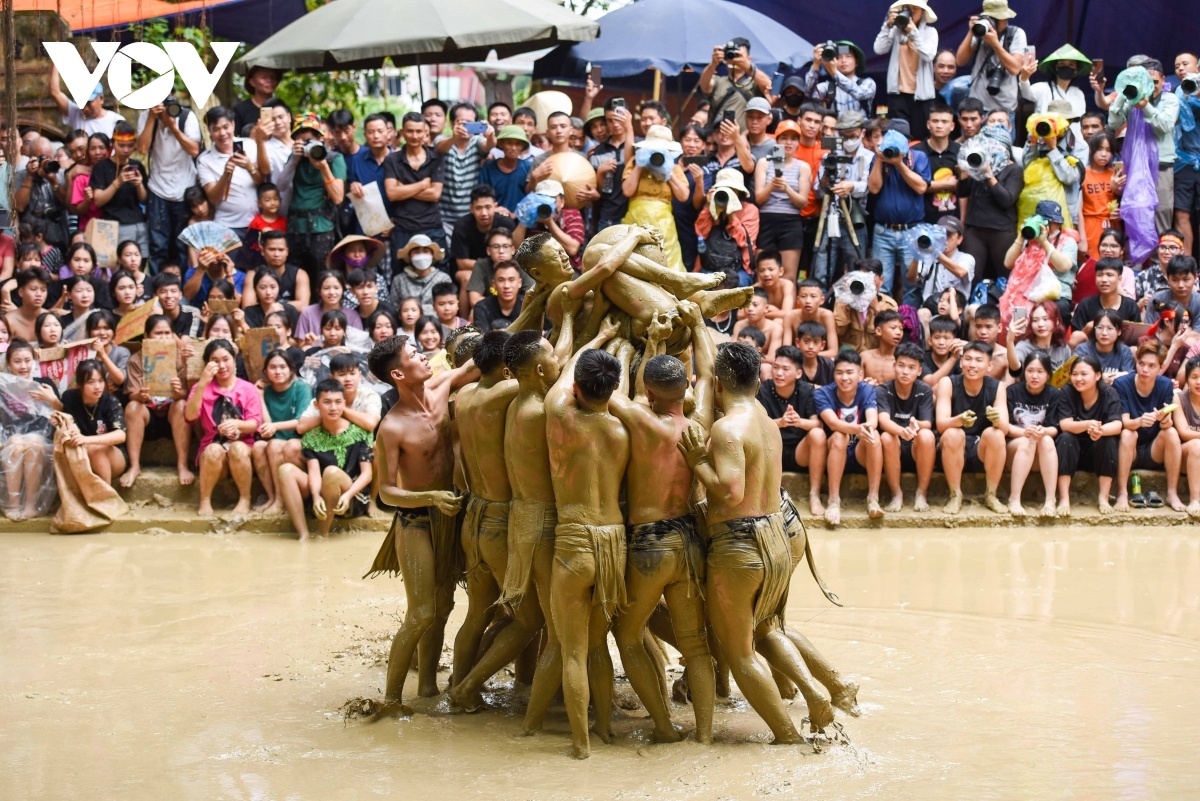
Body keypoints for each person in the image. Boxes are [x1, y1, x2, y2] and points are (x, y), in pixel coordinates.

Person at [679, 342, 836, 743]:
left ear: (718, 382)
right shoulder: (766, 419)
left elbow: (730, 493)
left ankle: (788, 736)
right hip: (776, 534)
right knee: (766, 628)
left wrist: (697, 461)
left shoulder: (728, 428)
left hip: (740, 543)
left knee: (740, 653)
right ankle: (815, 690)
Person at [367, 334, 476, 719]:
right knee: (421, 613)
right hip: (416, 521)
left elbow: (479, 363)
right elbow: (386, 492)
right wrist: (430, 498)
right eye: (415, 355)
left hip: (448, 515)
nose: (425, 356)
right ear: (398, 372)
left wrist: (534, 307)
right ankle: (391, 701)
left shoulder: (442, 385)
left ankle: (427, 686)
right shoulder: (392, 427)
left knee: (443, 605)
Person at [275, 378, 374, 540]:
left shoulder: (360, 432)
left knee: (332, 472)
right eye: (327, 402)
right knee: (285, 470)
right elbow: (313, 470)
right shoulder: (313, 435)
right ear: (317, 405)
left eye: (338, 402)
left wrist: (348, 495)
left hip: (352, 498)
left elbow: (367, 474)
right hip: (322, 496)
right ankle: (304, 535)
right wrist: (316, 496)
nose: (333, 407)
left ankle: (323, 533)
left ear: (344, 404)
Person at [184, 339, 263, 517]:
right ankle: (205, 499)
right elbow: (189, 417)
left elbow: (254, 423)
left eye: (225, 359)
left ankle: (245, 499)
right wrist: (203, 383)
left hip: (242, 447)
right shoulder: (200, 387)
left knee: (237, 448)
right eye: (215, 361)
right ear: (207, 364)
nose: (221, 365)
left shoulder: (248, 388)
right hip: (213, 448)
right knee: (213, 450)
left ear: (234, 360)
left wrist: (237, 424)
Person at [1108, 60, 1180, 234]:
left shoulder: (1170, 99)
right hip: (1136, 168)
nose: (1151, 86)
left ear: (1163, 80)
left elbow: (1165, 125)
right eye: (1146, 82)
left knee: (1161, 215)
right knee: (1136, 215)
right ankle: (1138, 260)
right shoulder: (1132, 99)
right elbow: (1113, 122)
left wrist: (1145, 106)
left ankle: (1160, 260)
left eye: (1155, 82)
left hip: (1161, 167)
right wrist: (1124, 93)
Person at [936, 341, 1006, 514]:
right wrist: (959, 420)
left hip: (979, 449)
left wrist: (996, 420)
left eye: (979, 360)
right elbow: (941, 424)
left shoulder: (997, 387)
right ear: (961, 362)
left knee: (995, 434)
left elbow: (1004, 428)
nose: (972, 365)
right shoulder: (948, 383)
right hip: (950, 448)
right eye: (967, 359)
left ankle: (991, 494)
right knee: (954, 433)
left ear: (989, 366)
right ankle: (955, 495)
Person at [757, 344, 826, 516]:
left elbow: (817, 424)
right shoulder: (763, 389)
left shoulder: (807, 390)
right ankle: (769, 497)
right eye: (776, 367)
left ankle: (815, 495)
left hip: (799, 452)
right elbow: (755, 425)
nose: (779, 373)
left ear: (798, 373)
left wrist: (798, 421)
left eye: (785, 369)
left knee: (818, 435)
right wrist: (779, 423)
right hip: (772, 451)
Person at [135, 96, 202, 271]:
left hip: (184, 188)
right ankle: (159, 289)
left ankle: (182, 291)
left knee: (182, 245)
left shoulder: (186, 116)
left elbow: (194, 150)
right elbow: (142, 149)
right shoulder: (146, 116)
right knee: (158, 246)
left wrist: (173, 126)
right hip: (157, 188)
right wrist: (152, 118)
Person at [816, 350, 884, 524]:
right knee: (840, 435)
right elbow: (832, 423)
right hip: (834, 451)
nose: (844, 378)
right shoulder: (822, 393)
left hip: (861, 451)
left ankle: (873, 498)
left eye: (849, 372)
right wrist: (857, 429)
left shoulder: (867, 390)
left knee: (874, 434)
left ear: (860, 374)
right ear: (834, 374)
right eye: (839, 373)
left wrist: (865, 428)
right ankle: (833, 501)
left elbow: (872, 420)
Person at [1114, 342, 1183, 511]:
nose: (1145, 370)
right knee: (1129, 434)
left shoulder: (1165, 385)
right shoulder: (1122, 384)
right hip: (1131, 449)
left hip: (1154, 449)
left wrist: (1163, 419)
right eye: (1141, 364)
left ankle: (1172, 493)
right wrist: (1139, 421)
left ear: (1160, 368)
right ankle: (1122, 492)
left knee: (1172, 433)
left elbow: (1168, 423)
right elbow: (1124, 423)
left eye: (1152, 366)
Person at [868, 119, 931, 301]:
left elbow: (921, 188)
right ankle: (882, 325)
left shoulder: (918, 157)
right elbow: (873, 188)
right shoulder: (878, 159)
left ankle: (909, 326)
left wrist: (899, 163)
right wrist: (880, 159)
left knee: (911, 285)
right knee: (881, 285)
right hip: (883, 231)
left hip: (911, 230)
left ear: (907, 142)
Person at [1053, 354, 1122, 516]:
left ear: (1098, 375)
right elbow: (1065, 424)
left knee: (1108, 440)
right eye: (1075, 374)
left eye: (1084, 374)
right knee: (1065, 438)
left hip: (1096, 452)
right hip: (1072, 452)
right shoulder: (1067, 392)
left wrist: (1100, 430)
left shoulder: (1109, 393)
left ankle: (1103, 498)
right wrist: (1087, 424)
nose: (1078, 378)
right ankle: (1064, 499)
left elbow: (1118, 425)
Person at [999, 350, 1061, 517]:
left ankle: (1050, 500)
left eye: (1040, 372)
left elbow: (1055, 427)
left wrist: (1043, 431)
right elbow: (1005, 426)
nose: (1035, 376)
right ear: (1024, 372)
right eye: (1030, 371)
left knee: (1047, 440)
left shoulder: (1054, 394)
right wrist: (1024, 432)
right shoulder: (1012, 391)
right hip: (1015, 450)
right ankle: (1014, 499)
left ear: (1048, 374)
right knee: (1028, 441)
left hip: (1040, 453)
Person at [285, 113, 346, 280]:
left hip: (321, 227)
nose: (307, 145)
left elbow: (338, 198)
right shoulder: (295, 158)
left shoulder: (334, 159)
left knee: (322, 278)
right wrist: (294, 159)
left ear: (320, 137)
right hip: (295, 227)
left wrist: (323, 166)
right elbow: (280, 186)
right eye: (302, 140)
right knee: (295, 278)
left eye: (310, 140)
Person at [620, 127, 690, 272]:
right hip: (636, 221)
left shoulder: (674, 168)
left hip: (663, 224)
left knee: (667, 264)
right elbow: (627, 190)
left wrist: (668, 171)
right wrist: (640, 164)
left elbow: (683, 196)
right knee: (633, 263)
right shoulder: (635, 163)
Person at [877, 340, 936, 511]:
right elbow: (883, 420)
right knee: (887, 436)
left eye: (911, 368)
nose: (905, 371)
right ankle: (896, 494)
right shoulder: (883, 390)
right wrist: (902, 431)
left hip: (916, 448)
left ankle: (921, 493)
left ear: (919, 371)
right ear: (894, 366)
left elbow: (928, 423)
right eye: (901, 366)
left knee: (927, 435)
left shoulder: (924, 390)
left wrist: (916, 424)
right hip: (892, 448)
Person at [251, 348, 311, 513]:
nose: (278, 371)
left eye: (283, 367)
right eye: (273, 367)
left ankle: (280, 500)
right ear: (265, 371)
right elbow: (267, 426)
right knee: (258, 447)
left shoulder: (301, 388)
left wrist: (276, 426)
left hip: (298, 443)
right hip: (275, 444)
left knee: (275, 445)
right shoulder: (267, 391)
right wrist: (260, 397)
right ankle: (272, 497)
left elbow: (301, 421)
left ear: (291, 369)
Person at [384, 112, 447, 269]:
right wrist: (422, 184)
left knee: (440, 276)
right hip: (402, 228)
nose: (414, 135)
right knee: (399, 276)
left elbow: (434, 194)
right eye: (410, 131)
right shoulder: (392, 160)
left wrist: (402, 188)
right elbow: (392, 194)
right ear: (402, 132)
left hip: (431, 226)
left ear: (426, 132)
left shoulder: (436, 157)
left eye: (419, 131)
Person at [753, 121, 812, 284]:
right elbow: (759, 198)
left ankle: (787, 309)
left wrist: (786, 188)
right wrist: (772, 184)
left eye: (793, 139)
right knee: (763, 274)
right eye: (784, 138)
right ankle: (760, 307)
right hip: (767, 219)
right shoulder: (764, 163)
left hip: (791, 221)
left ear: (798, 142)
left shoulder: (803, 167)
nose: (788, 142)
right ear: (777, 140)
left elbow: (803, 202)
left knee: (789, 276)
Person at [874, 2, 938, 138]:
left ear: (922, 12)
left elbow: (928, 55)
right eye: (908, 9)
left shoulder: (930, 32)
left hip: (921, 97)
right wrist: (887, 25)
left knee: (920, 137)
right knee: (898, 138)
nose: (911, 12)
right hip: (898, 95)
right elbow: (879, 49)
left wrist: (913, 32)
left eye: (915, 9)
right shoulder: (896, 31)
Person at [197, 107, 264, 238]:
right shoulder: (205, 160)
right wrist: (226, 174)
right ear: (209, 131)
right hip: (226, 225)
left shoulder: (250, 145)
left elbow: (264, 183)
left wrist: (250, 167)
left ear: (233, 125)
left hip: (256, 222)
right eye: (216, 129)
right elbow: (213, 199)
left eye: (225, 127)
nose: (222, 133)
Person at [58, 359, 127, 482]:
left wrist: (88, 440)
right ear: (79, 384)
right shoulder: (70, 398)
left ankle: (105, 496)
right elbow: (68, 425)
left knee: (95, 449)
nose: (98, 387)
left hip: (113, 456)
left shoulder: (110, 401)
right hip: (81, 454)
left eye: (101, 381)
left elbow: (121, 435)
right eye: (91, 382)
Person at [88, 122, 150, 258]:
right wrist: (118, 182)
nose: (125, 150)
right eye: (121, 145)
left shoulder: (137, 165)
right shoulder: (102, 167)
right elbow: (98, 200)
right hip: (114, 225)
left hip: (139, 222)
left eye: (130, 146)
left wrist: (139, 185)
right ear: (113, 144)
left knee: (140, 264)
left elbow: (144, 200)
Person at [955, 0, 1028, 115]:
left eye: (1000, 18)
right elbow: (960, 61)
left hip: (1004, 109)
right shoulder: (981, 31)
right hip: (977, 106)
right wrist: (972, 31)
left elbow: (1015, 69)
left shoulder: (1016, 33)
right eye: (991, 18)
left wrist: (995, 44)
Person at [451, 185, 517, 312]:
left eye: (488, 207)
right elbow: (462, 263)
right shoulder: (462, 226)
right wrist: (490, 264)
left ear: (495, 207)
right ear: (471, 209)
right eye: (479, 208)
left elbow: (513, 252)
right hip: (470, 268)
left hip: (502, 263)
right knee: (467, 277)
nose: (484, 213)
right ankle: (463, 324)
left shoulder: (506, 223)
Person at [435, 103, 495, 237]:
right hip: (444, 216)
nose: (466, 126)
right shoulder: (443, 140)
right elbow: (440, 148)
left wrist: (490, 135)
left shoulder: (477, 141)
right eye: (462, 122)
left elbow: (488, 145)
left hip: (471, 215)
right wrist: (454, 137)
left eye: (470, 123)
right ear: (452, 124)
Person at [697, 38, 773, 129]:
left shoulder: (754, 83)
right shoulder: (717, 81)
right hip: (717, 139)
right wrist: (713, 63)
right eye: (732, 54)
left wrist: (748, 66)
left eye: (738, 55)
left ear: (749, 59)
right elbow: (704, 84)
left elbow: (768, 86)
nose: (735, 58)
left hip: (744, 141)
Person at [588, 101, 636, 232]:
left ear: (627, 117)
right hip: (609, 216)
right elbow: (598, 192)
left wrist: (629, 128)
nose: (615, 124)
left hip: (635, 214)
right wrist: (600, 173)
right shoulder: (598, 151)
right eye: (610, 120)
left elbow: (629, 162)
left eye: (619, 119)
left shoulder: (639, 145)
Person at [1069, 258, 1140, 347]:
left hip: (1121, 354)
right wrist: (1088, 328)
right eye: (1100, 275)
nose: (1104, 280)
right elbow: (1076, 339)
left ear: (1119, 279)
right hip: (1090, 354)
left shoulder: (1130, 305)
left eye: (1109, 275)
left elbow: (1136, 338)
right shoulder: (1086, 305)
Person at [833, 258, 898, 351]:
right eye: (862, 278)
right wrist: (845, 300)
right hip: (850, 356)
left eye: (870, 279)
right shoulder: (844, 300)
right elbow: (838, 332)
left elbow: (891, 338)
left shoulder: (889, 305)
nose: (866, 283)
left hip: (875, 357)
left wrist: (877, 310)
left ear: (881, 280)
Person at [913, 101, 960, 224]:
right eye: (935, 121)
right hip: (922, 221)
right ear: (928, 124)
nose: (939, 125)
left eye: (944, 122)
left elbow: (965, 188)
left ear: (952, 126)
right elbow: (914, 186)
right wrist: (947, 184)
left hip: (953, 221)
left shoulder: (961, 152)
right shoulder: (916, 152)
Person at [1080, 131, 1124, 261]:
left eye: (1108, 150)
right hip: (1091, 226)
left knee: (1113, 268)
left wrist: (1117, 191)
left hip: (1113, 226)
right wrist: (1082, 238)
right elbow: (1078, 211)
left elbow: (1125, 203)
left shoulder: (1115, 174)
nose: (1104, 154)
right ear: (1092, 150)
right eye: (1099, 149)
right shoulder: (1083, 174)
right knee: (1092, 267)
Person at [806, 40, 877, 119]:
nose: (843, 60)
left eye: (848, 56)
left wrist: (834, 73)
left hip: (861, 131)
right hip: (835, 131)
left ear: (856, 62)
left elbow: (860, 94)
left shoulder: (867, 82)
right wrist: (816, 64)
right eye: (839, 57)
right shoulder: (828, 87)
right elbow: (808, 94)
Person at [47, 69, 123, 137]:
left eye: (89, 102)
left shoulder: (115, 121)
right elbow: (55, 92)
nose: (85, 108)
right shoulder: (76, 114)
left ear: (101, 99)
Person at [480, 126, 533, 214]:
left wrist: (514, 215)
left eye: (518, 144)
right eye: (509, 143)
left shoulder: (527, 167)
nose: (513, 148)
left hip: (522, 220)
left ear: (523, 146)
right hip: (495, 217)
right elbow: (482, 196)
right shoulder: (489, 167)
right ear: (501, 144)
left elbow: (532, 198)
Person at [1074, 309, 1135, 382]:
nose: (1104, 333)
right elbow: (1077, 376)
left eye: (1110, 328)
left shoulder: (1124, 351)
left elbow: (1129, 375)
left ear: (1119, 331)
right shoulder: (1083, 350)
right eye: (1100, 328)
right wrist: (1102, 378)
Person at [1172, 356, 1200, 517]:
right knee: (1197, 445)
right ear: (1187, 379)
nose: (1198, 382)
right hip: (1185, 456)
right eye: (1194, 377)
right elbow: (1183, 432)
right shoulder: (1179, 398)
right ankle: (1195, 499)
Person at [472, 261, 525, 332]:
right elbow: (482, 340)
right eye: (501, 280)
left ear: (519, 283)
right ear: (494, 284)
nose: (506, 286)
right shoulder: (482, 307)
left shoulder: (529, 305)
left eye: (511, 280)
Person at [233, 67, 282, 136]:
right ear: (252, 82)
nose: (269, 80)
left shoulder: (281, 107)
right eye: (264, 77)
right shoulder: (240, 109)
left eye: (273, 77)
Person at [861, 309, 906, 383]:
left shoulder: (902, 361)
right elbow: (857, 386)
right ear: (879, 331)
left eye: (901, 329)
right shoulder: (865, 357)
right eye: (893, 328)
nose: (898, 332)